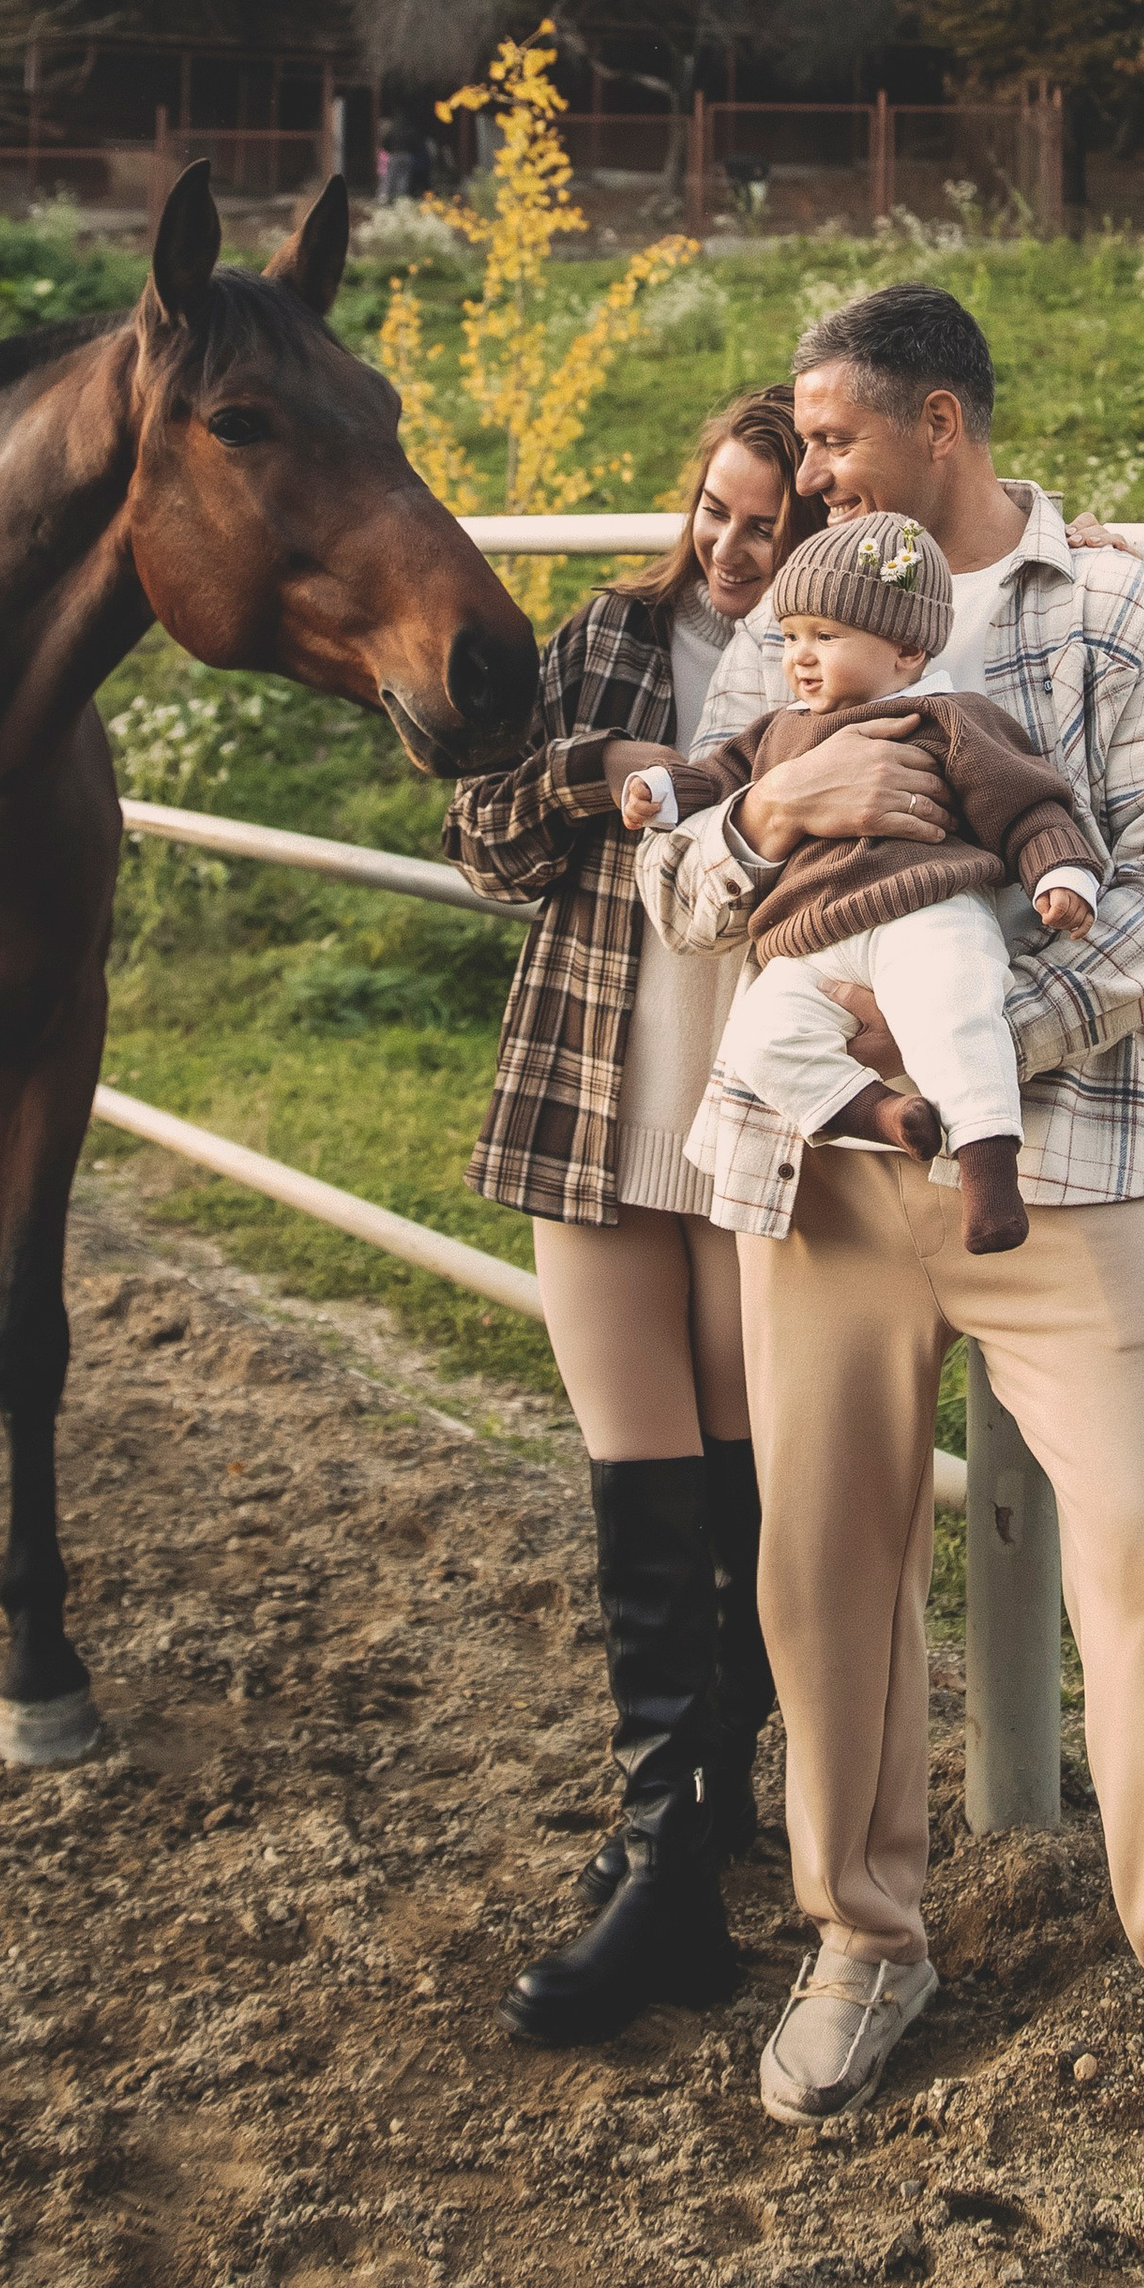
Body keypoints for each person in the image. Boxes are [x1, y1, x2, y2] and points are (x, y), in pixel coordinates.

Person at [637, 281, 1144, 2223]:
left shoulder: (1117, 618)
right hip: (820, 1182)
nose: (797, 469)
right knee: (820, 1565)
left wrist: (972, 1049)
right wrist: (767, 801)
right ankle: (863, 1938)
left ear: (939, 424)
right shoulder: (779, 628)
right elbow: (673, 875)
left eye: (832, 435)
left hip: (1066, 1165)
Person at [442, 385, 822, 2049]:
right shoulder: (604, 636)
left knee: (744, 1480)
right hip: (590, 1096)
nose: (735, 550)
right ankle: (668, 1849)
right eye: (721, 513)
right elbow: (479, 840)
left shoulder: (830, 669)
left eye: (772, 527)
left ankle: (706, 1817)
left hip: (750, 1113)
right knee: (638, 1473)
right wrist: (594, 776)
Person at [621, 515, 1103, 1253]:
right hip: (815, 936)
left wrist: (1062, 871)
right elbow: (717, 776)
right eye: (791, 637)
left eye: (826, 636)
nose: (800, 659)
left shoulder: (947, 719)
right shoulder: (781, 730)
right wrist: (663, 788)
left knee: (952, 1013)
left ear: (908, 648)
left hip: (927, 910)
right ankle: (880, 1114)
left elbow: (1028, 804)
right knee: (760, 1036)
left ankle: (988, 1171)